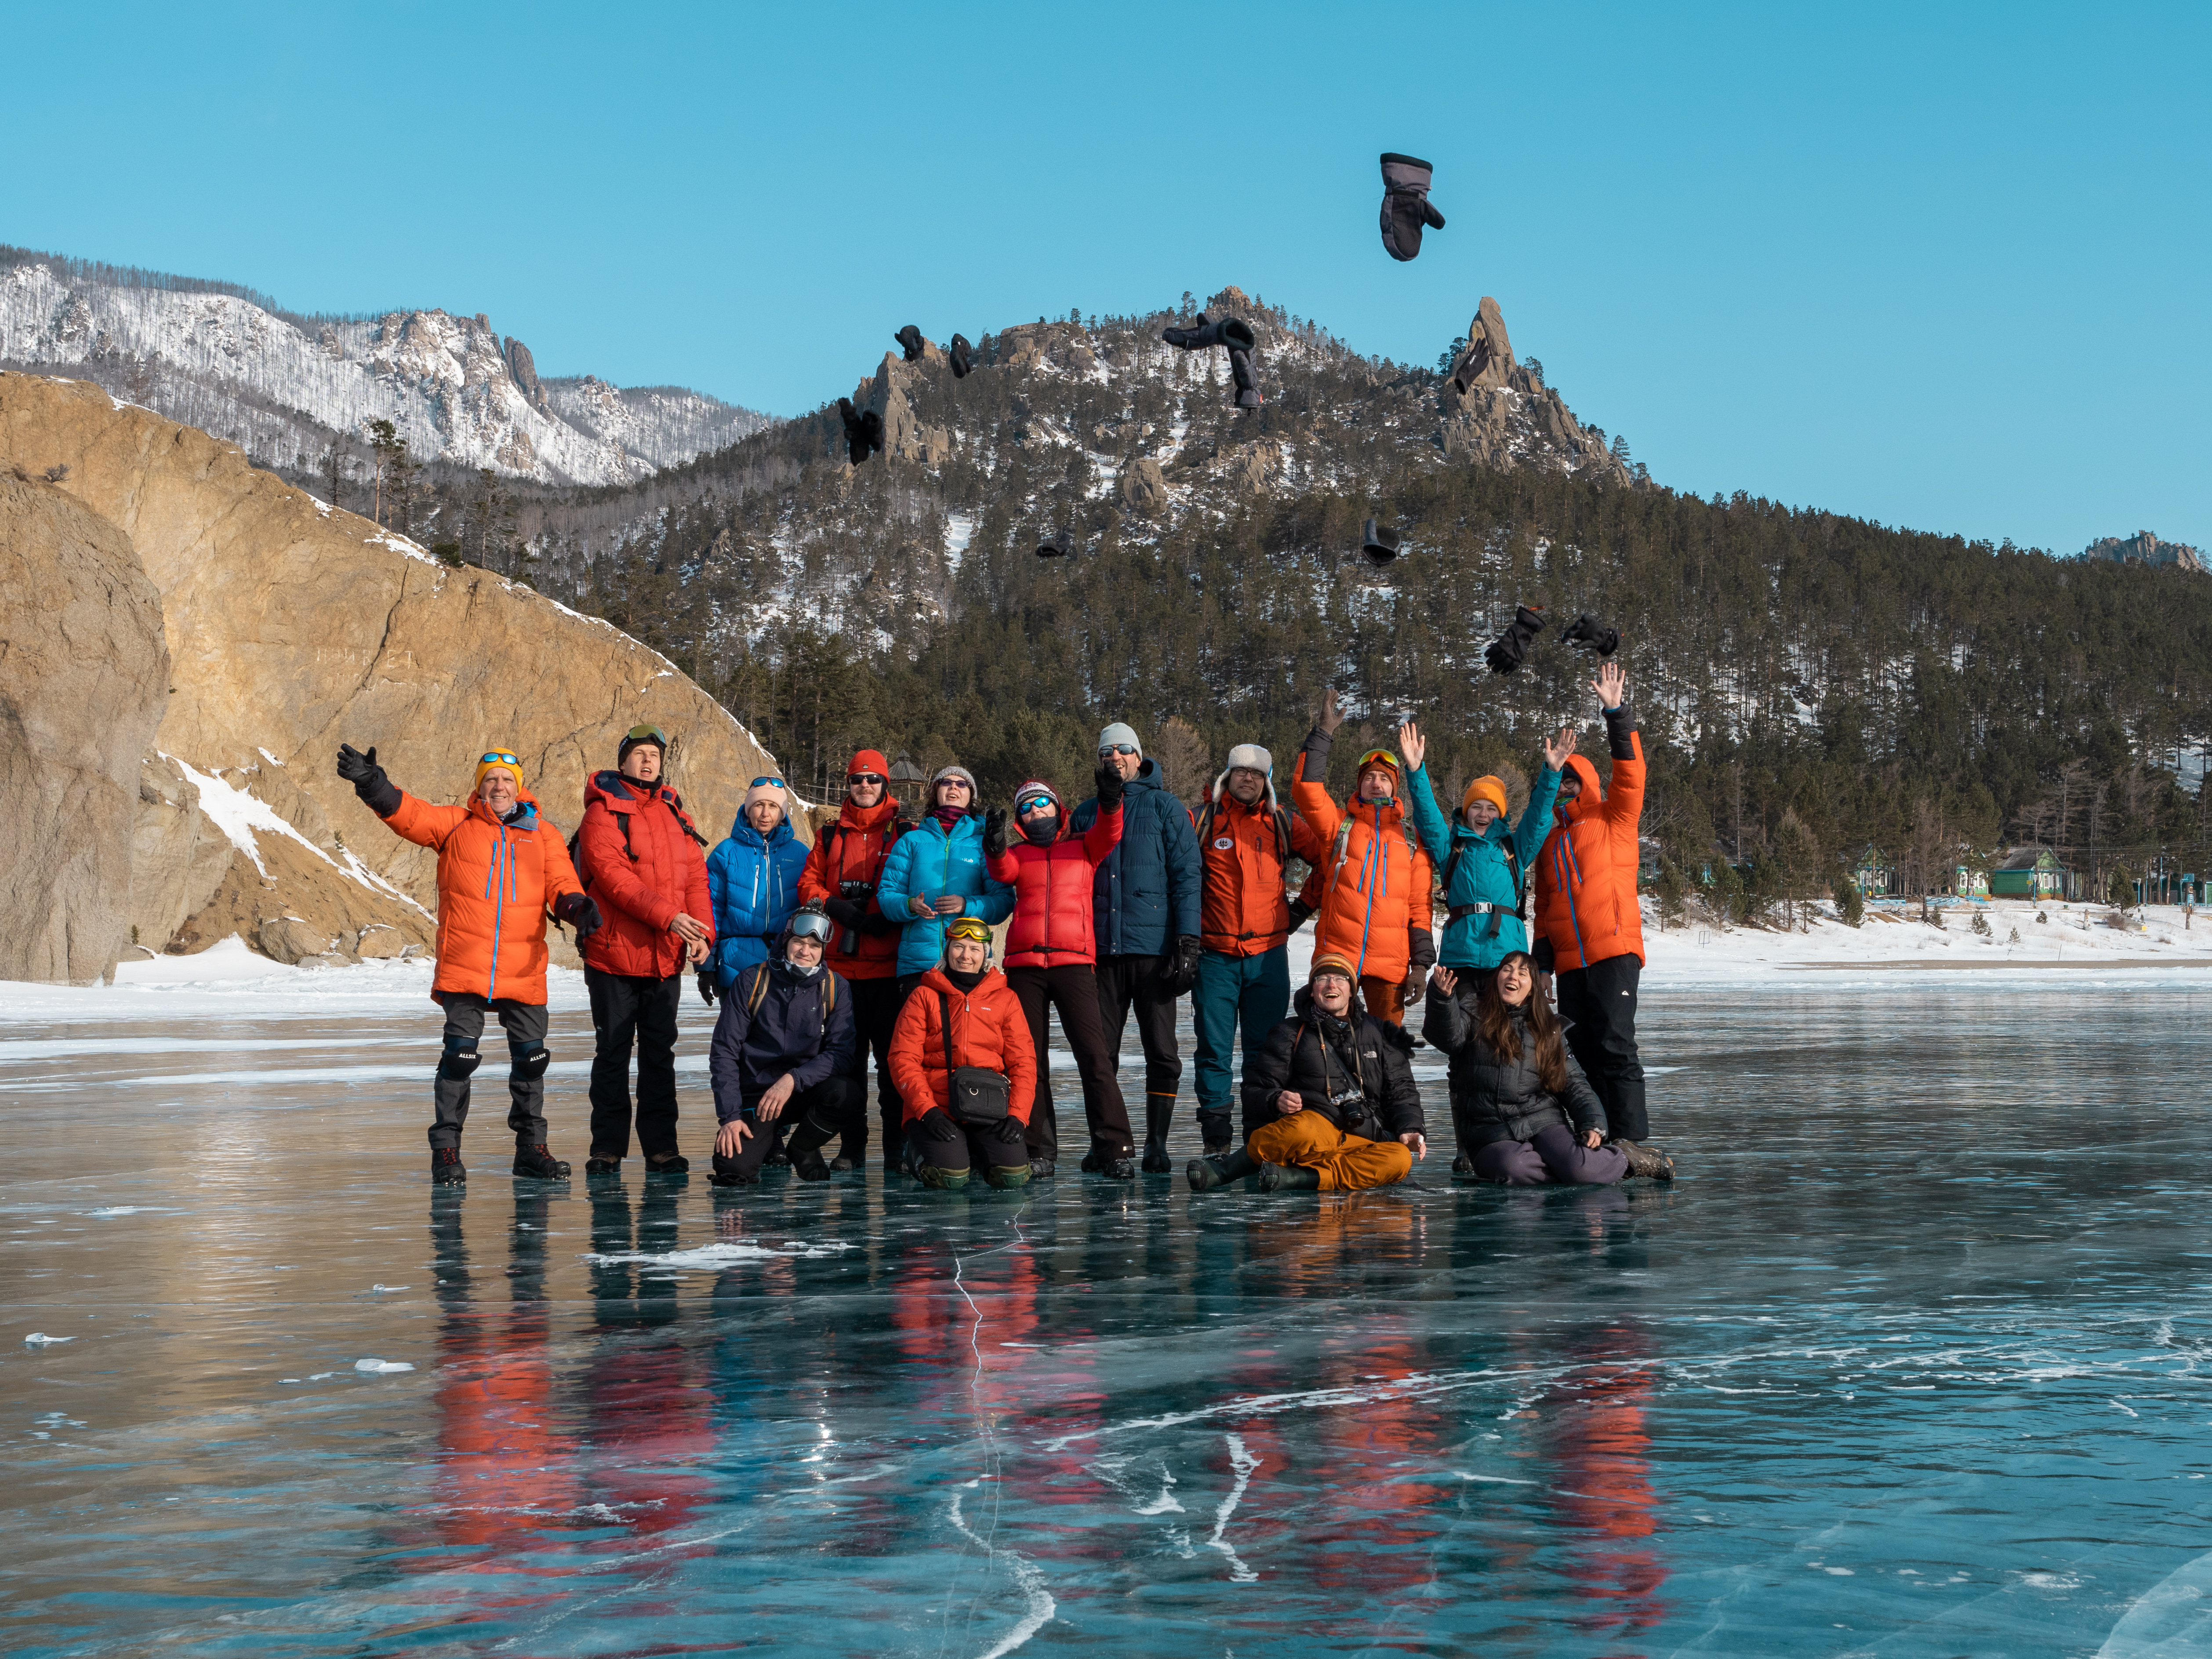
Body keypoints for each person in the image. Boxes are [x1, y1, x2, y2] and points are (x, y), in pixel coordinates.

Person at [335, 741, 601, 1183]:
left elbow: (561, 882)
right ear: (480, 786)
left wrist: (578, 909)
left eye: (506, 780)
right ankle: (447, 1152)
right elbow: (409, 814)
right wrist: (372, 783)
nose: (499, 786)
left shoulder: (544, 834)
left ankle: (531, 1149)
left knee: (532, 1059)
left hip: (523, 965)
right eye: (490, 779)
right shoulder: (456, 824)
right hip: (465, 962)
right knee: (459, 1058)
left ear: (519, 788)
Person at [1532, 661, 1671, 1179]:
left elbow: (1631, 771)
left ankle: (1632, 1139)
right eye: (1559, 781)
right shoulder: (1547, 839)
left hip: (1613, 949)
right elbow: (1544, 906)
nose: (1566, 788)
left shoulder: (1614, 818)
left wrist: (1615, 711)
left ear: (1586, 781)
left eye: (1573, 780)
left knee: (1615, 1043)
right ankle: (1598, 1133)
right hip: (1569, 962)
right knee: (1579, 1047)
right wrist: (1541, 966)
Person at [576, 724, 715, 1180]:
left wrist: (701, 934)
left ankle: (661, 1148)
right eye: (638, 753)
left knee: (660, 1056)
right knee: (613, 1052)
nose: (648, 761)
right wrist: (669, 917)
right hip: (614, 956)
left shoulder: (675, 813)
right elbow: (615, 880)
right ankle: (607, 1148)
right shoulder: (602, 812)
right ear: (622, 763)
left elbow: (695, 879)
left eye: (654, 754)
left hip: (664, 959)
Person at [984, 765, 1133, 1176]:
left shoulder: (1085, 846)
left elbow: (1111, 831)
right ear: (1020, 819)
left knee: (1094, 1057)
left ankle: (1114, 1148)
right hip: (1024, 967)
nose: (1036, 812)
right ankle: (1038, 1151)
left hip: (1074, 962)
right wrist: (995, 844)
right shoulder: (1018, 854)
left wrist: (1110, 800)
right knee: (1028, 1060)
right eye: (1026, 808)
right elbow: (1001, 871)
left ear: (1057, 807)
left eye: (1042, 803)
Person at [1068, 722, 1202, 1172]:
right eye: (1107, 751)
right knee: (1098, 1053)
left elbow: (1187, 877)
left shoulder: (1167, 808)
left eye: (1124, 749)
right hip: (1100, 952)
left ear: (1138, 756)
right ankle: (1105, 1140)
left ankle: (1156, 1143)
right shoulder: (1085, 814)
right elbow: (1071, 884)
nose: (1116, 757)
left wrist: (1187, 941)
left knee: (1161, 1051)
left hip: (1154, 950)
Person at [1190, 743, 1329, 1158]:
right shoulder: (1200, 820)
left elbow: (1327, 860)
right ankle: (1216, 1140)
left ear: (1265, 781)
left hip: (1268, 957)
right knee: (1213, 1050)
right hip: (1214, 956)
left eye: (1256, 774)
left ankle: (1259, 1136)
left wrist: (1300, 909)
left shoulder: (1282, 821)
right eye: (1240, 772)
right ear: (1226, 777)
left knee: (1265, 1051)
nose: (1247, 778)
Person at [1188, 953, 1424, 1193]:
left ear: (1352, 990)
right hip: (1310, 1136)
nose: (1332, 985)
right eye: (1323, 979)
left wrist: (1410, 1128)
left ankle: (1297, 1178)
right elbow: (1254, 1090)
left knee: (1399, 1159)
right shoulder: (1289, 1033)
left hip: (1360, 1138)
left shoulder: (1380, 1033)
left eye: (1340, 979)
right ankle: (1224, 1171)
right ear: (1312, 990)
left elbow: (1402, 1090)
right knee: (1305, 1129)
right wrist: (1276, 1100)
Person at [1397, 719, 1576, 1003]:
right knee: (1462, 1037)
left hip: (1507, 959)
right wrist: (1416, 770)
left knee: (1503, 1038)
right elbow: (1427, 815)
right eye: (1476, 807)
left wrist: (1552, 773)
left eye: (1491, 808)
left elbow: (1539, 816)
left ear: (1500, 814)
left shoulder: (1514, 847)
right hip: (1459, 956)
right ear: (1466, 812)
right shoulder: (1450, 847)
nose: (1483, 813)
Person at [1289, 691, 1435, 1025]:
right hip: (1336, 957)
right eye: (1369, 777)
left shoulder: (1412, 840)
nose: (1376, 782)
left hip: (1391, 964)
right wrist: (1322, 734)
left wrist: (1421, 965)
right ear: (1359, 784)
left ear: (1395, 787)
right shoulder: (1339, 825)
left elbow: (1419, 908)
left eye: (1384, 778)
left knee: (1387, 1052)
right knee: (1328, 1046)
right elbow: (1306, 791)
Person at [796, 748, 911, 1171]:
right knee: (847, 1065)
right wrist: (835, 907)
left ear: (886, 785)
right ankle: (853, 1147)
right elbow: (807, 882)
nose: (865, 786)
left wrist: (886, 912)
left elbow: (918, 879)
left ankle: (896, 1147)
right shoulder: (829, 834)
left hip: (888, 967)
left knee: (892, 1063)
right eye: (857, 780)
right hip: (840, 971)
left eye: (873, 780)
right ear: (848, 784)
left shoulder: (904, 831)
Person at [1422, 952, 1627, 1185]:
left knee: (1583, 1171)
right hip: (1489, 1129)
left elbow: (1573, 1082)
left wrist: (1592, 1122)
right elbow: (1447, 1039)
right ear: (1497, 977)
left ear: (1532, 988)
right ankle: (1564, 1168)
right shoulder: (1471, 1011)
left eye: (1523, 973)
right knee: (1514, 1168)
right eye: (1507, 970)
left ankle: (1625, 1160)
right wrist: (1442, 998)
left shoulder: (1548, 1027)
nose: (1513, 976)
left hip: (1542, 1120)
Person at [707, 904, 862, 1185]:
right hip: (757, 1097)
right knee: (734, 1169)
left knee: (847, 1094)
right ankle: (764, 1139)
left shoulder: (835, 987)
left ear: (823, 950)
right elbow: (724, 1053)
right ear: (786, 941)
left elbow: (841, 1054)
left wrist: (793, 1079)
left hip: (803, 1091)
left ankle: (803, 1146)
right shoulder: (752, 981)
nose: (806, 951)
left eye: (814, 945)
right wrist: (729, 1116)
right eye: (799, 942)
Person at [887, 915, 1036, 1190]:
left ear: (986, 955)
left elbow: (1023, 1062)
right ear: (947, 950)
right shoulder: (923, 995)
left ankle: (976, 1155)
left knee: (1012, 1176)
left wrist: (1018, 1115)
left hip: (989, 1104)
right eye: (958, 947)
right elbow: (902, 1059)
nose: (966, 956)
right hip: (937, 1106)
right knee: (949, 1177)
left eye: (975, 949)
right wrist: (926, 1111)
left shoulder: (1006, 998)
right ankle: (920, 1155)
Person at [878, 766, 1015, 987]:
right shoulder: (911, 841)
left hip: (969, 963)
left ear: (971, 796)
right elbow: (886, 895)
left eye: (962, 784)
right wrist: (910, 905)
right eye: (946, 782)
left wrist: (966, 905)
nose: (953, 787)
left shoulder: (983, 844)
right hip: (919, 963)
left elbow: (1004, 902)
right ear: (935, 793)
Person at [705, 774, 810, 994]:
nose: (765, 813)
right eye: (759, 805)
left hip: (787, 964)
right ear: (747, 810)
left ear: (781, 814)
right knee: (735, 1030)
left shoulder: (800, 854)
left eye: (773, 806)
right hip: (736, 966)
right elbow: (711, 910)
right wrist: (706, 966)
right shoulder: (726, 852)